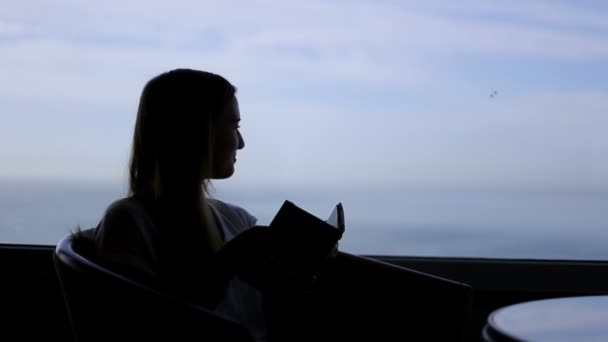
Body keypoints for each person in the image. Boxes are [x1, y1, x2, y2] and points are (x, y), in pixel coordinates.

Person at [89, 69, 307, 342]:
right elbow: (140, 330)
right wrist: (233, 258)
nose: (241, 143)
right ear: (196, 131)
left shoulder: (236, 219)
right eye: (234, 126)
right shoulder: (128, 223)